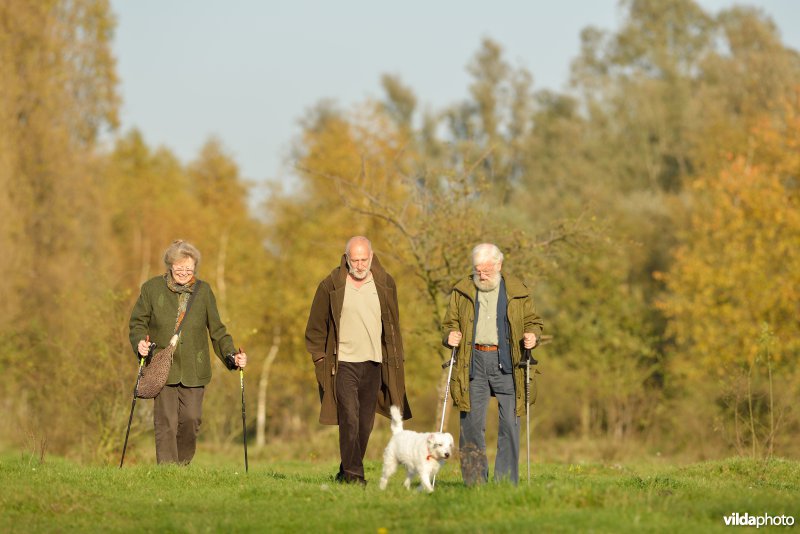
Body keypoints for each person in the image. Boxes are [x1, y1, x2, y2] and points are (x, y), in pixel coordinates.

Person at [129, 239, 247, 464]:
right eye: (179, 267)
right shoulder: (151, 289)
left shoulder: (203, 292)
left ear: (195, 268)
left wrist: (232, 356)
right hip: (163, 366)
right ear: (170, 265)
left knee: (191, 420)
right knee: (166, 421)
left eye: (189, 268)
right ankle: (167, 469)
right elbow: (137, 324)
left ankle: (181, 464)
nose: (184, 272)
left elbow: (218, 330)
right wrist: (139, 344)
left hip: (195, 367)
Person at [305, 236, 412, 485]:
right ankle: (355, 476)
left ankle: (345, 472)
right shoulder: (331, 285)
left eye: (364, 259)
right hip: (343, 364)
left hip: (374, 363)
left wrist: (395, 358)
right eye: (355, 259)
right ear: (346, 258)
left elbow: (393, 326)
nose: (360, 265)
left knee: (365, 424)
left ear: (371, 257)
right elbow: (315, 328)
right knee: (349, 418)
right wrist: (320, 359)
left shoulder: (385, 284)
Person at [441, 243, 543, 485]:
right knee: (472, 426)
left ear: (499, 265)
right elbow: (448, 324)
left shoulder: (518, 290)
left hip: (508, 362)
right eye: (477, 270)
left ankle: (506, 483)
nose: (481, 275)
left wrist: (532, 335)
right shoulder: (462, 290)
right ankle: (475, 483)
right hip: (472, 362)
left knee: (510, 423)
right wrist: (450, 336)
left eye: (486, 270)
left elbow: (533, 321)